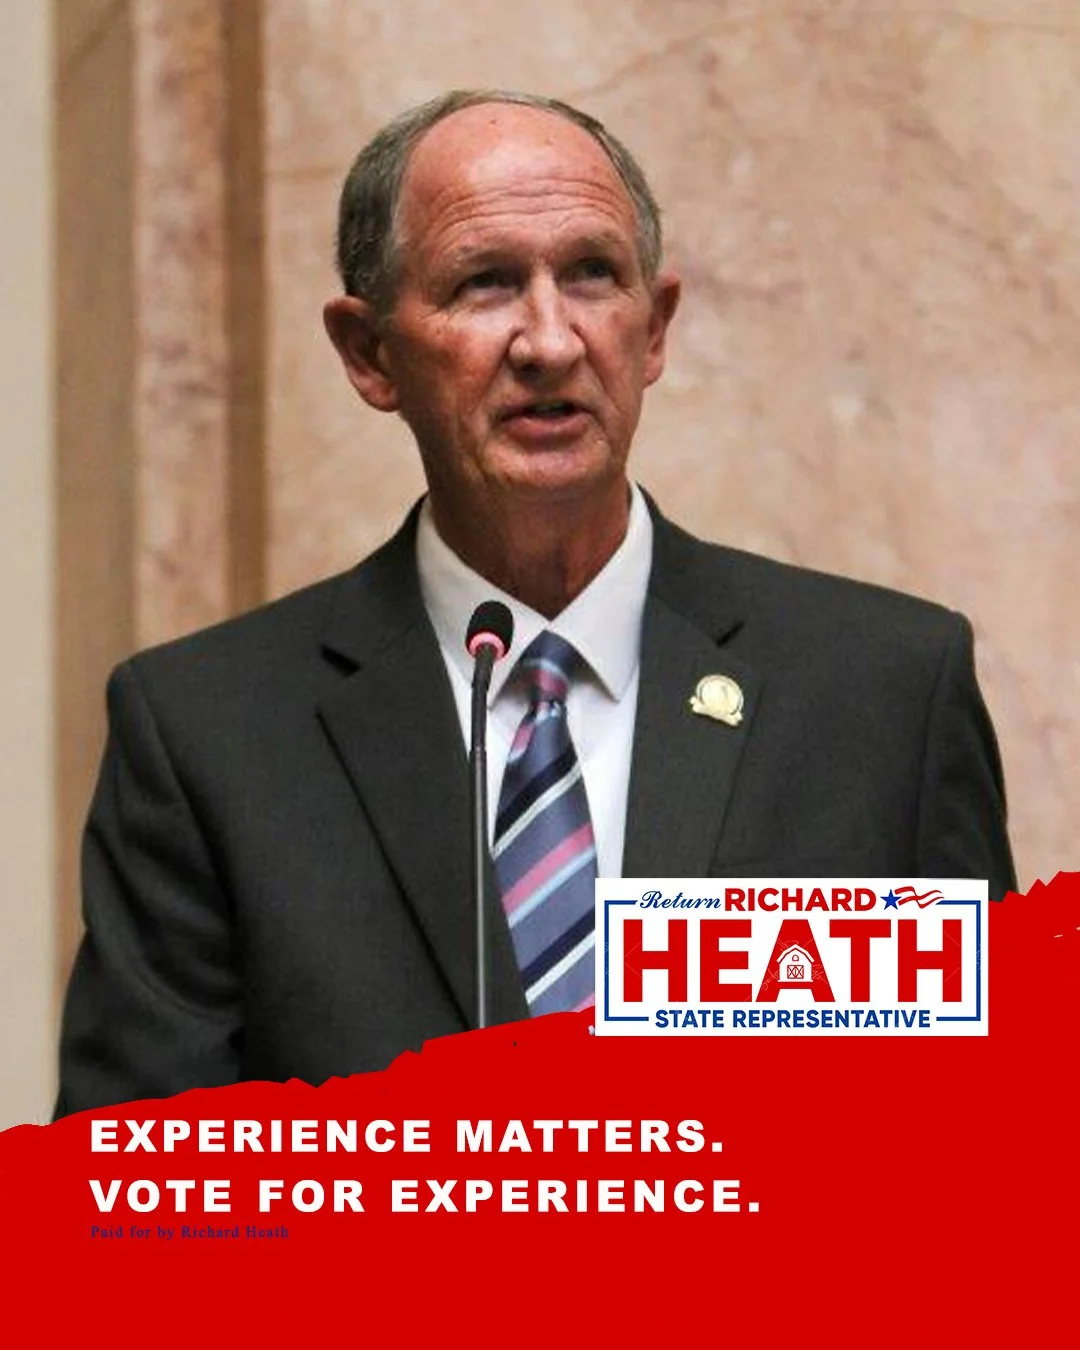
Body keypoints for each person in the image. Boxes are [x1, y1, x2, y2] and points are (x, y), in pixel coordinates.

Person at [55, 90, 1015, 1116]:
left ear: (654, 330)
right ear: (369, 354)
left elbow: (994, 1156)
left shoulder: (879, 696)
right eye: (485, 284)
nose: (550, 341)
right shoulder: (211, 736)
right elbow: (141, 1210)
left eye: (593, 275)